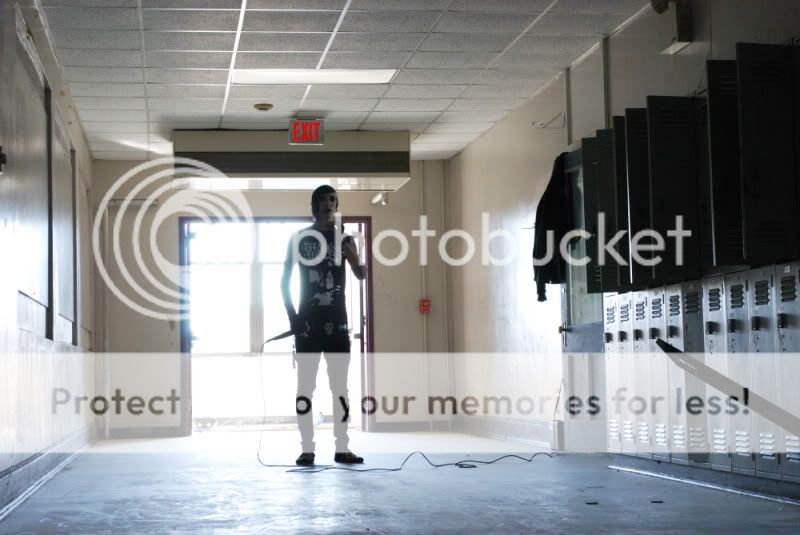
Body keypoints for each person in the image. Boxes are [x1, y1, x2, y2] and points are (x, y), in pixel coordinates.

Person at [280, 185, 367, 466]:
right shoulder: (299, 238)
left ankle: (343, 447)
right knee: (305, 388)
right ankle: (307, 448)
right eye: (324, 200)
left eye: (333, 200)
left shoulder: (345, 237)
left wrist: (353, 258)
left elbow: (362, 274)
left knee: (340, 388)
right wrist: (293, 318)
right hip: (307, 325)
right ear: (314, 204)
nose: (329, 204)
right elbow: (284, 281)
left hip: (338, 326)